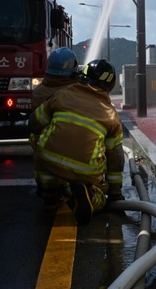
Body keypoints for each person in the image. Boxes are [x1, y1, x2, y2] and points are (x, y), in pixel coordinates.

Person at [28, 59, 125, 224]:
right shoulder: (111, 116)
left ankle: (49, 194)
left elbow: (34, 123)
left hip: (48, 160)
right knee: (100, 190)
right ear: (111, 85)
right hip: (86, 170)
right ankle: (93, 198)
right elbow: (116, 159)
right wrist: (115, 193)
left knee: (37, 138)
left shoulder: (61, 95)